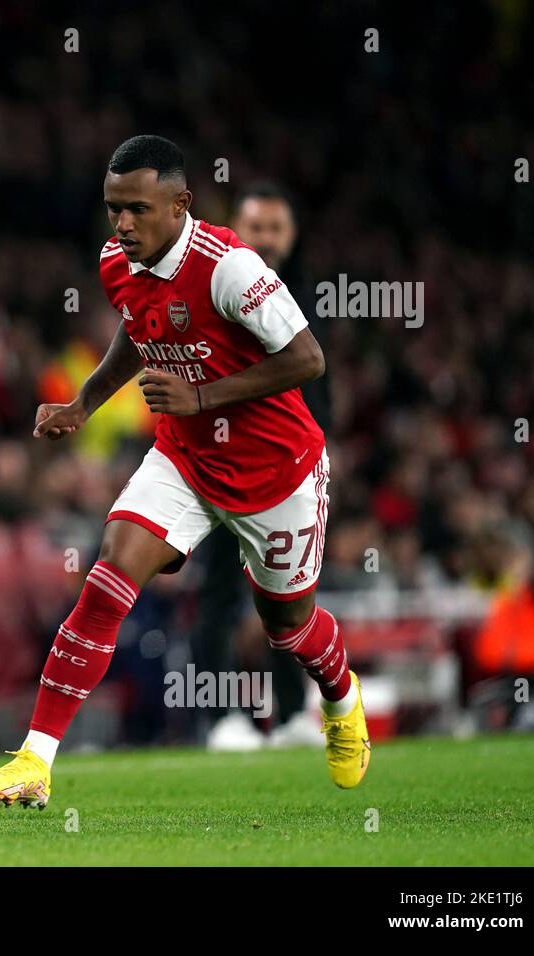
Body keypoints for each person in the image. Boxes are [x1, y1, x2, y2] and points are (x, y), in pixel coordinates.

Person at [0, 136, 368, 808]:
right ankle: (34, 760)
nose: (122, 224)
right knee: (107, 580)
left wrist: (202, 397)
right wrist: (84, 402)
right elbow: (136, 327)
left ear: (181, 203)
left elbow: (307, 358)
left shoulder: (230, 267)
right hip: (185, 457)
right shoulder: (116, 261)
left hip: (278, 471)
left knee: (288, 628)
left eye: (137, 210)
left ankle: (340, 695)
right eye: (112, 210)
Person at [197, 182, 327, 751]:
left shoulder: (305, 301)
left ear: (292, 236)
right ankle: (226, 719)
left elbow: (320, 388)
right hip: (219, 470)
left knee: (288, 598)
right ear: (235, 231)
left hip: (289, 470)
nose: (268, 240)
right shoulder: (214, 291)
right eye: (257, 229)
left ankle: (296, 714)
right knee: (220, 599)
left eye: (277, 229)